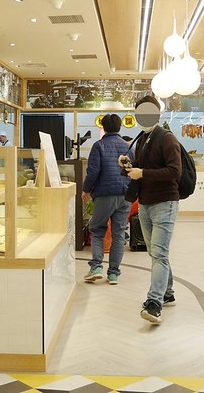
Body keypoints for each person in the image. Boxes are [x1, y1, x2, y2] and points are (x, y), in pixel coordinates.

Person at [119, 95, 181, 324]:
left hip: (165, 202)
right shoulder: (143, 138)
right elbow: (140, 170)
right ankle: (168, 292)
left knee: (159, 253)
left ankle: (154, 303)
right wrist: (128, 166)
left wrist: (143, 173)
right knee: (156, 253)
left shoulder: (167, 138)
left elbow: (175, 172)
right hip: (145, 203)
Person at [82, 114, 132, 285]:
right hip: (125, 196)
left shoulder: (99, 146)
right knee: (119, 234)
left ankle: (96, 267)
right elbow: (131, 171)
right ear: (119, 127)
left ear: (103, 127)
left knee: (97, 230)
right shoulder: (127, 147)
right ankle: (113, 274)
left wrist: (86, 189)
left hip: (104, 194)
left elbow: (93, 171)